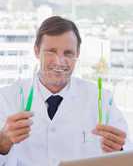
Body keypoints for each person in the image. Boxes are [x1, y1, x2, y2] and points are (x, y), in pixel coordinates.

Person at [0, 16, 130, 166]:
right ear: (36, 51)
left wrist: (120, 149)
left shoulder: (101, 99)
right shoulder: (5, 99)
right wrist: (2, 144)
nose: (59, 61)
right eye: (51, 51)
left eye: (68, 53)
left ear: (77, 54)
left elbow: (127, 154)